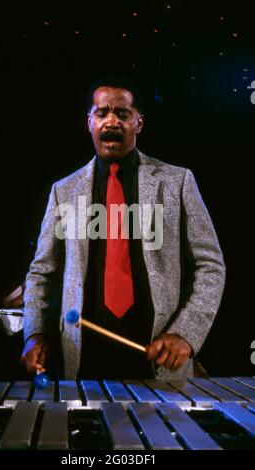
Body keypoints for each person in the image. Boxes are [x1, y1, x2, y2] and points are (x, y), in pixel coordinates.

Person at [21, 75, 226, 380]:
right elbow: (42, 273)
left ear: (138, 123)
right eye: (102, 113)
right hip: (84, 358)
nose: (111, 121)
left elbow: (210, 265)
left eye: (123, 113)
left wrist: (185, 334)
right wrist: (33, 334)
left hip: (157, 357)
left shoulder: (178, 182)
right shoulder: (63, 191)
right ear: (89, 122)